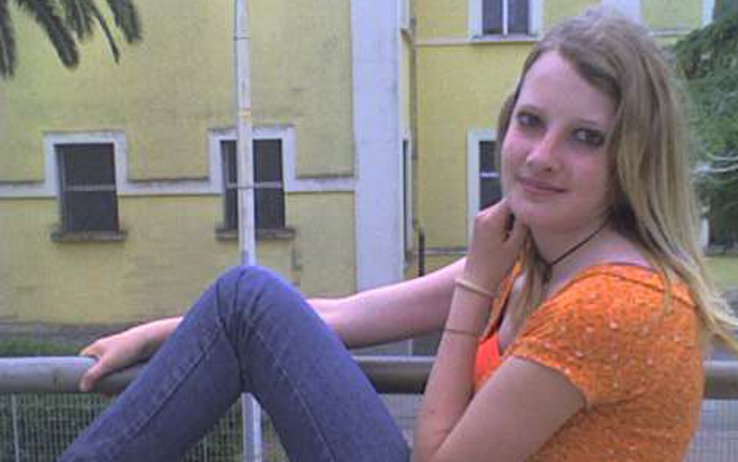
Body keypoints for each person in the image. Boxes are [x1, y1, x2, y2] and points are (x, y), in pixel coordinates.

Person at [60, 7, 738, 462]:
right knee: (246, 298)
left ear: (632, 158)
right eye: (530, 122)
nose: (540, 156)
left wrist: (474, 287)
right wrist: (163, 334)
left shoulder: (611, 304)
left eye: (585, 137)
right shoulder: (532, 255)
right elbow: (336, 317)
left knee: (249, 297)